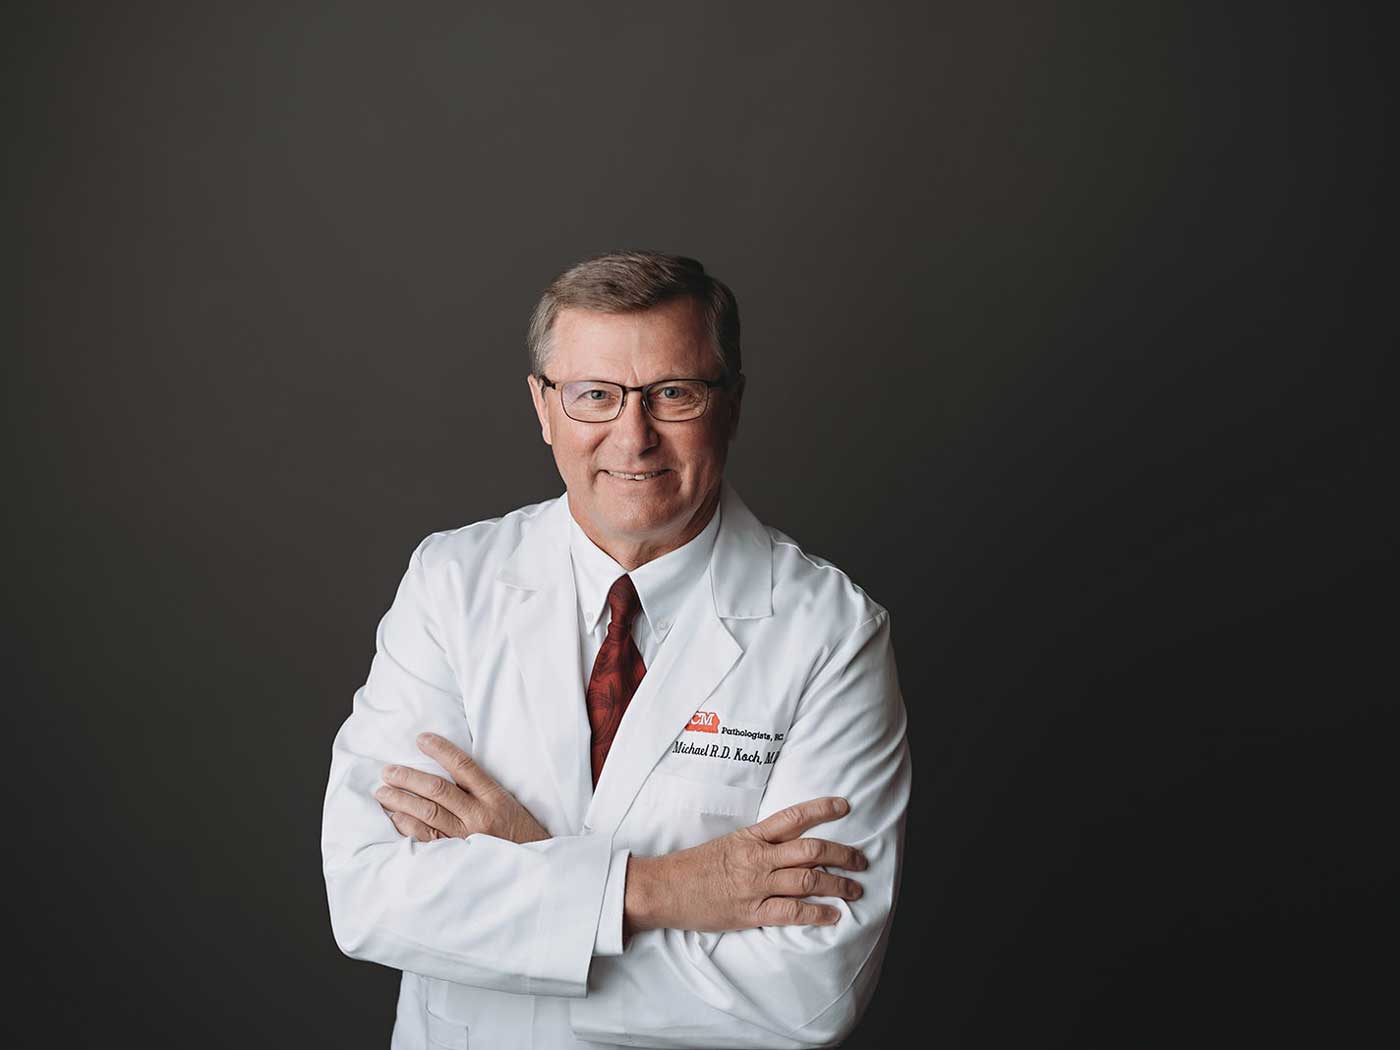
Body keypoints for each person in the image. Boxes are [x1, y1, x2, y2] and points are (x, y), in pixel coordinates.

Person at [321, 250, 912, 1048]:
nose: (632, 438)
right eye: (593, 396)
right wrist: (657, 890)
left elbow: (807, 993)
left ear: (729, 404)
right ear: (543, 407)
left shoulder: (830, 634)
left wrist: (522, 891)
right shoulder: (450, 584)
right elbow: (371, 896)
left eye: (673, 394)